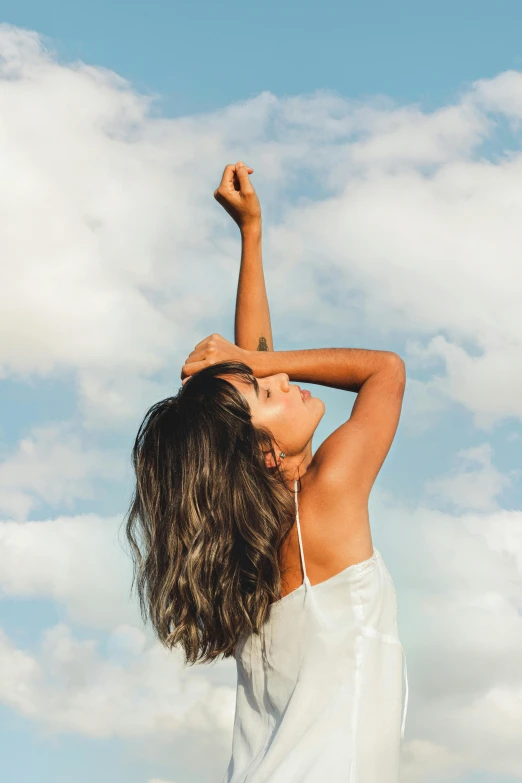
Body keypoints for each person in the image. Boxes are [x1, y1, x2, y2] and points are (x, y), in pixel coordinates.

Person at [125, 161, 409, 781]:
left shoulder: (252, 553)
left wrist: (251, 234)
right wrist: (253, 360)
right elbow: (384, 370)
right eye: (268, 393)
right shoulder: (325, 500)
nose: (283, 379)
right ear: (262, 455)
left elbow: (252, 362)